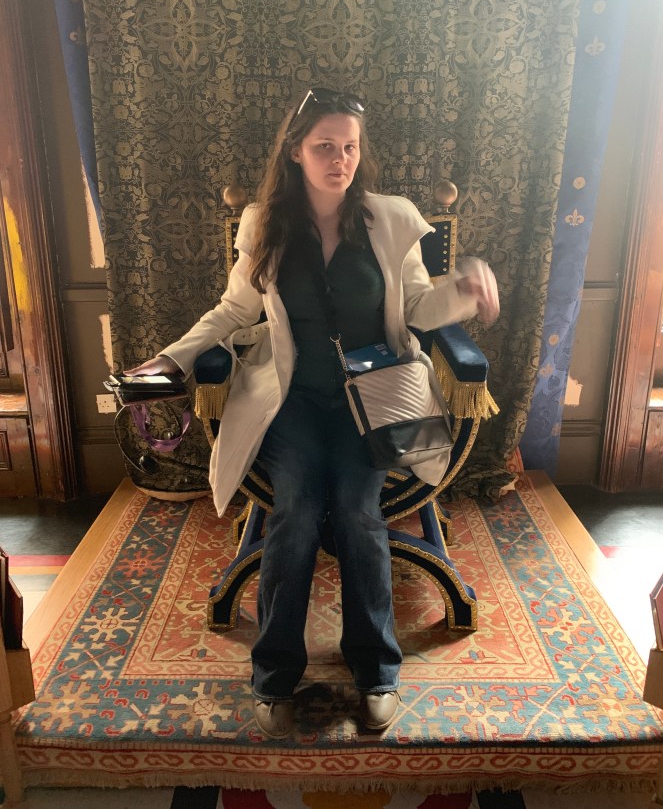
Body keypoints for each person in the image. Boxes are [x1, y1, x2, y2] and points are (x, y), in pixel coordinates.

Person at [126, 87, 499, 739]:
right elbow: (234, 310)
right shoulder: (264, 224)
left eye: (349, 147)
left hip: (373, 401)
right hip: (291, 401)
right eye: (325, 146)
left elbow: (418, 307)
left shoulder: (391, 218)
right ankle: (274, 676)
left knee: (357, 514)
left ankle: (376, 671)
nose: (340, 160)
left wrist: (463, 292)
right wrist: (171, 360)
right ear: (295, 151)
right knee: (295, 513)